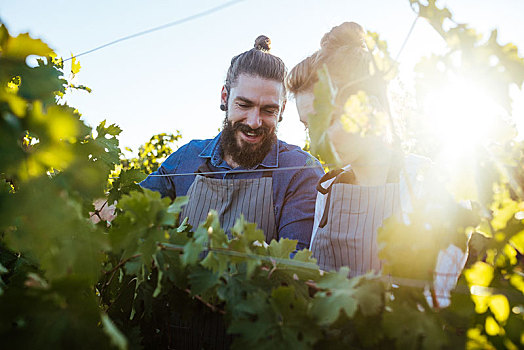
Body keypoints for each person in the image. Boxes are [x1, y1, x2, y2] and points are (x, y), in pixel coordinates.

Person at [287, 22, 466, 307]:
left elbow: (433, 302)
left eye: (326, 121)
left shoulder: (426, 183)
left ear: (365, 108)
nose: (316, 140)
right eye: (309, 127)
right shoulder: (329, 189)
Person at [140, 35, 324, 252]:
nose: (254, 122)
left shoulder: (300, 171)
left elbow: (295, 268)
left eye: (268, 110)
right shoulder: (186, 159)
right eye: (244, 105)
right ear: (225, 98)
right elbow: (133, 214)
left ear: (282, 110)